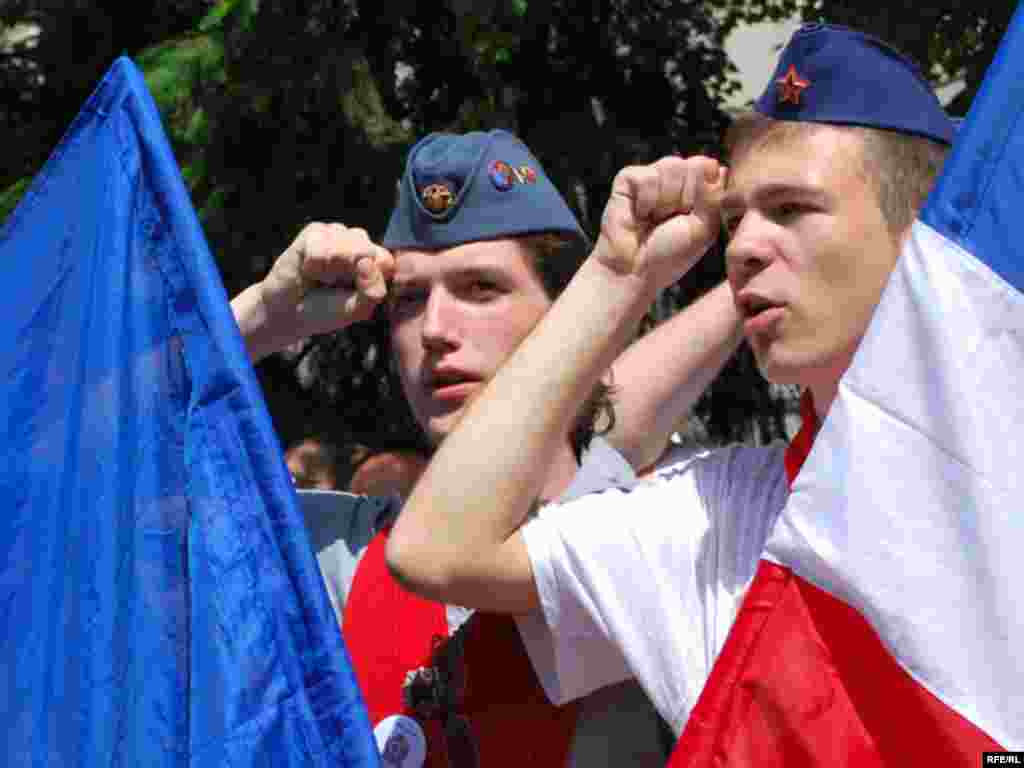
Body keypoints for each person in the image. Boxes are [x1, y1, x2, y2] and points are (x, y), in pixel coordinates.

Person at [388, 22, 958, 749]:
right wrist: (619, 274)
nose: (743, 247)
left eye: (790, 210)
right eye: (736, 219)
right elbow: (435, 550)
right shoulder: (716, 515)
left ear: (920, 235)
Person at [230, 129, 743, 766]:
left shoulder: (666, 543)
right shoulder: (337, 558)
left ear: (569, 313)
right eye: (410, 299)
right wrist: (262, 317)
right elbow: (126, 493)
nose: (435, 330)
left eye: (480, 288)